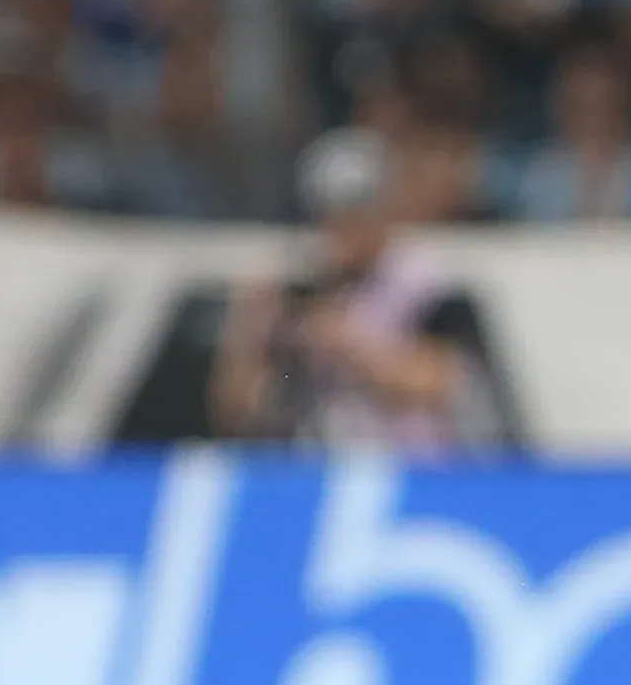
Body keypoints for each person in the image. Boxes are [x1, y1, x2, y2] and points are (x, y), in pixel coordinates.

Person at [209, 128, 499, 451]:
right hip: (322, 463)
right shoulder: (303, 283)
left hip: (412, 464)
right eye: (330, 212)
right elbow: (237, 411)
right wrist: (250, 333)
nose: (342, 226)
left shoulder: (425, 279)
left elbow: (444, 383)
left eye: (357, 212)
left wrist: (349, 346)